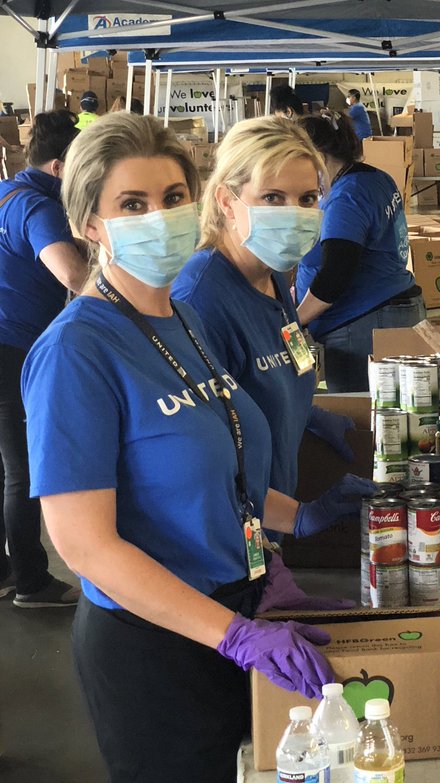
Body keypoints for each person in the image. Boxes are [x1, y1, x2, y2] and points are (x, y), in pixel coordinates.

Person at [22, 112, 370, 779]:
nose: (160, 216)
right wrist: (232, 632)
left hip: (229, 609)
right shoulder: (77, 351)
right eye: (132, 204)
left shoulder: (180, 318)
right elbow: (84, 544)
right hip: (155, 644)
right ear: (90, 224)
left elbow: (221, 469)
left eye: (172, 197)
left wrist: (280, 542)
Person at [174, 117, 361, 571]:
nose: (294, 213)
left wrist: (309, 414)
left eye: (309, 198)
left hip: (268, 524)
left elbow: (263, 373)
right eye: (273, 198)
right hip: (223, 544)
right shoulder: (200, 299)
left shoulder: (273, 275)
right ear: (227, 199)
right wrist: (298, 518)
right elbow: (197, 458)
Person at [0, 109, 89, 608]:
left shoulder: (5, 192)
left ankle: (4, 571)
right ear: (59, 167)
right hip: (12, 348)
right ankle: (32, 581)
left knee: (3, 468)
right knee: (22, 470)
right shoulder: (38, 208)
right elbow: (73, 276)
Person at [295, 113, 424, 392]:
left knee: (364, 418)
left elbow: (335, 275)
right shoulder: (375, 178)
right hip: (392, 310)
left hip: (362, 324)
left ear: (317, 155)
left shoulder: (346, 197)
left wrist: (295, 320)